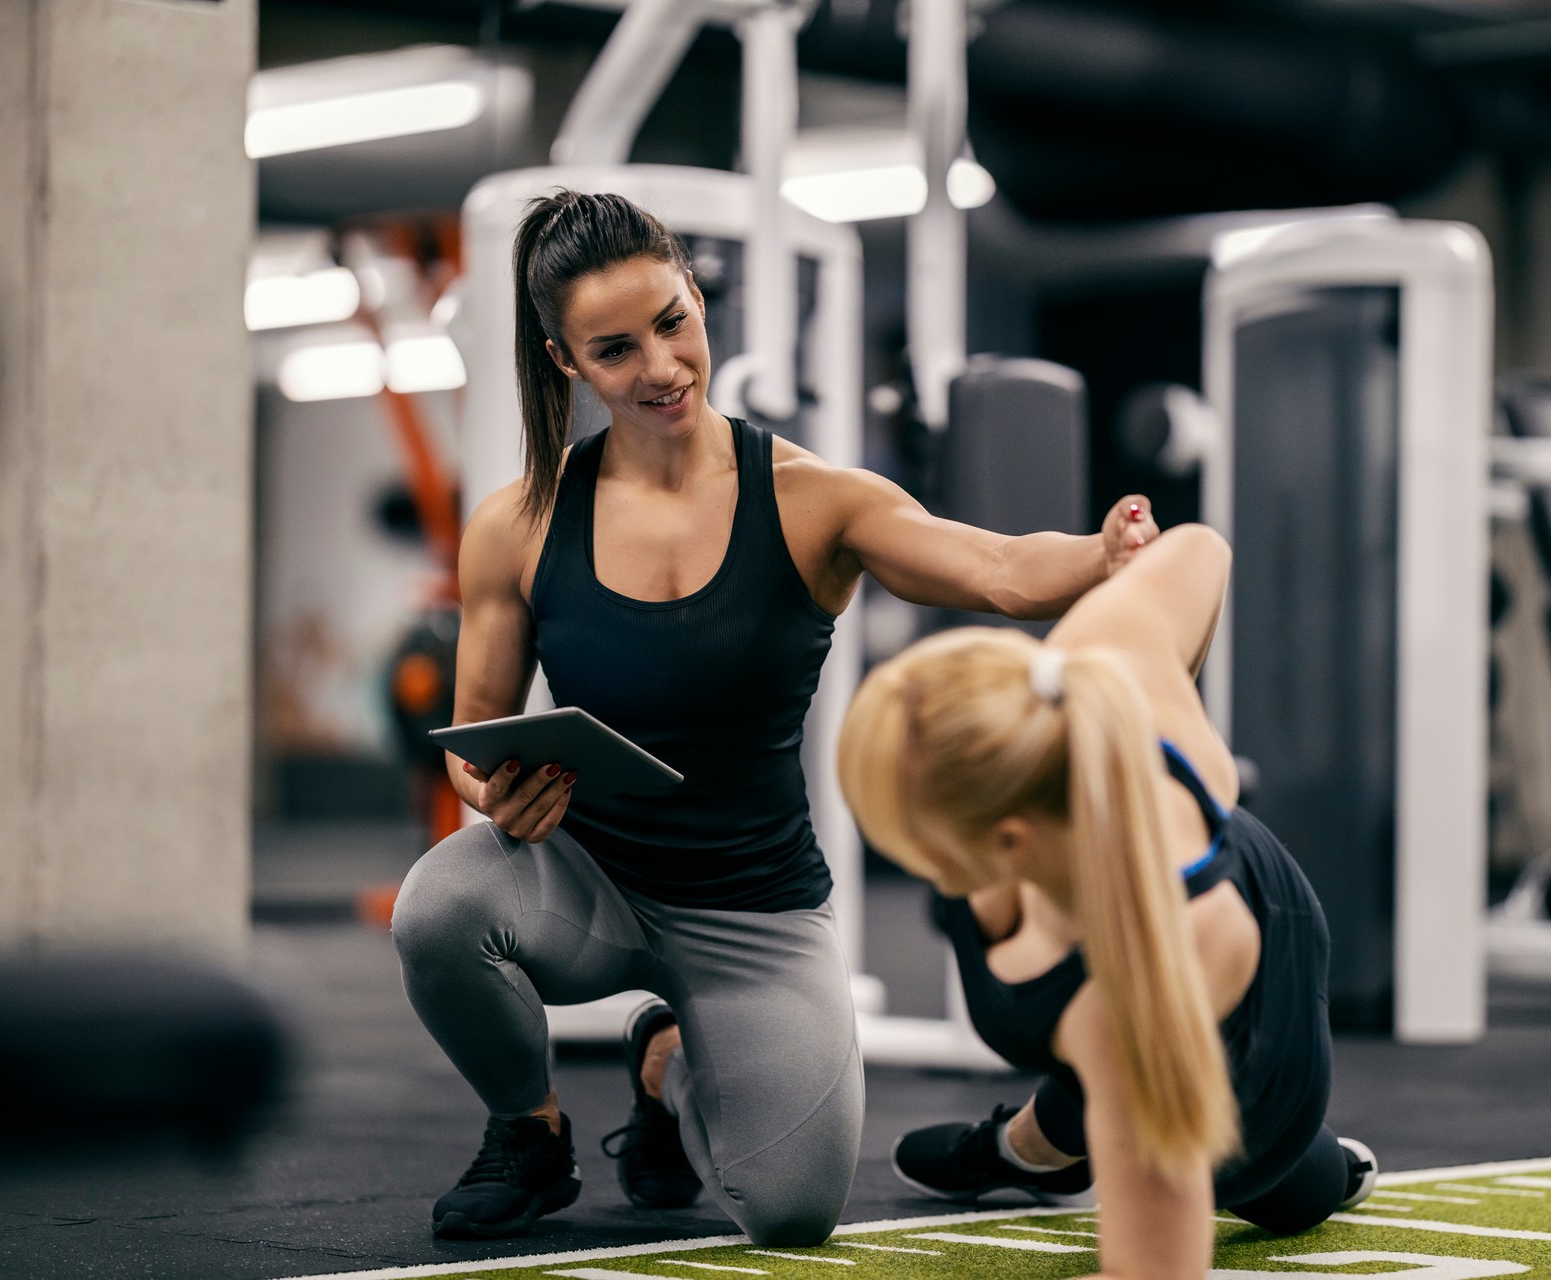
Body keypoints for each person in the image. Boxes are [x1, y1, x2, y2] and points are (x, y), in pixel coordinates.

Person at [387, 189, 1162, 1244]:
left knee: (791, 1212)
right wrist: (499, 790)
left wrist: (1099, 555)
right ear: (567, 363)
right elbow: (475, 733)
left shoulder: (812, 499)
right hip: (586, 882)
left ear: (698, 297)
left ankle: (664, 1069)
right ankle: (528, 1125)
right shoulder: (519, 522)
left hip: (752, 907)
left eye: (672, 322)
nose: (659, 366)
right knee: (438, 905)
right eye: (615, 349)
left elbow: (994, 566)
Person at [836, 521, 1377, 1280]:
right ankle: (1035, 1151)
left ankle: (1303, 1171)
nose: (915, 865)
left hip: (1250, 1050)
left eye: (919, 848)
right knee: (1071, 1048)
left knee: (1252, 1171)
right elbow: (1199, 549)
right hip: (1108, 945)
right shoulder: (1068, 688)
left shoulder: (1135, 999)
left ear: (1012, 844)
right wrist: (1122, 567)